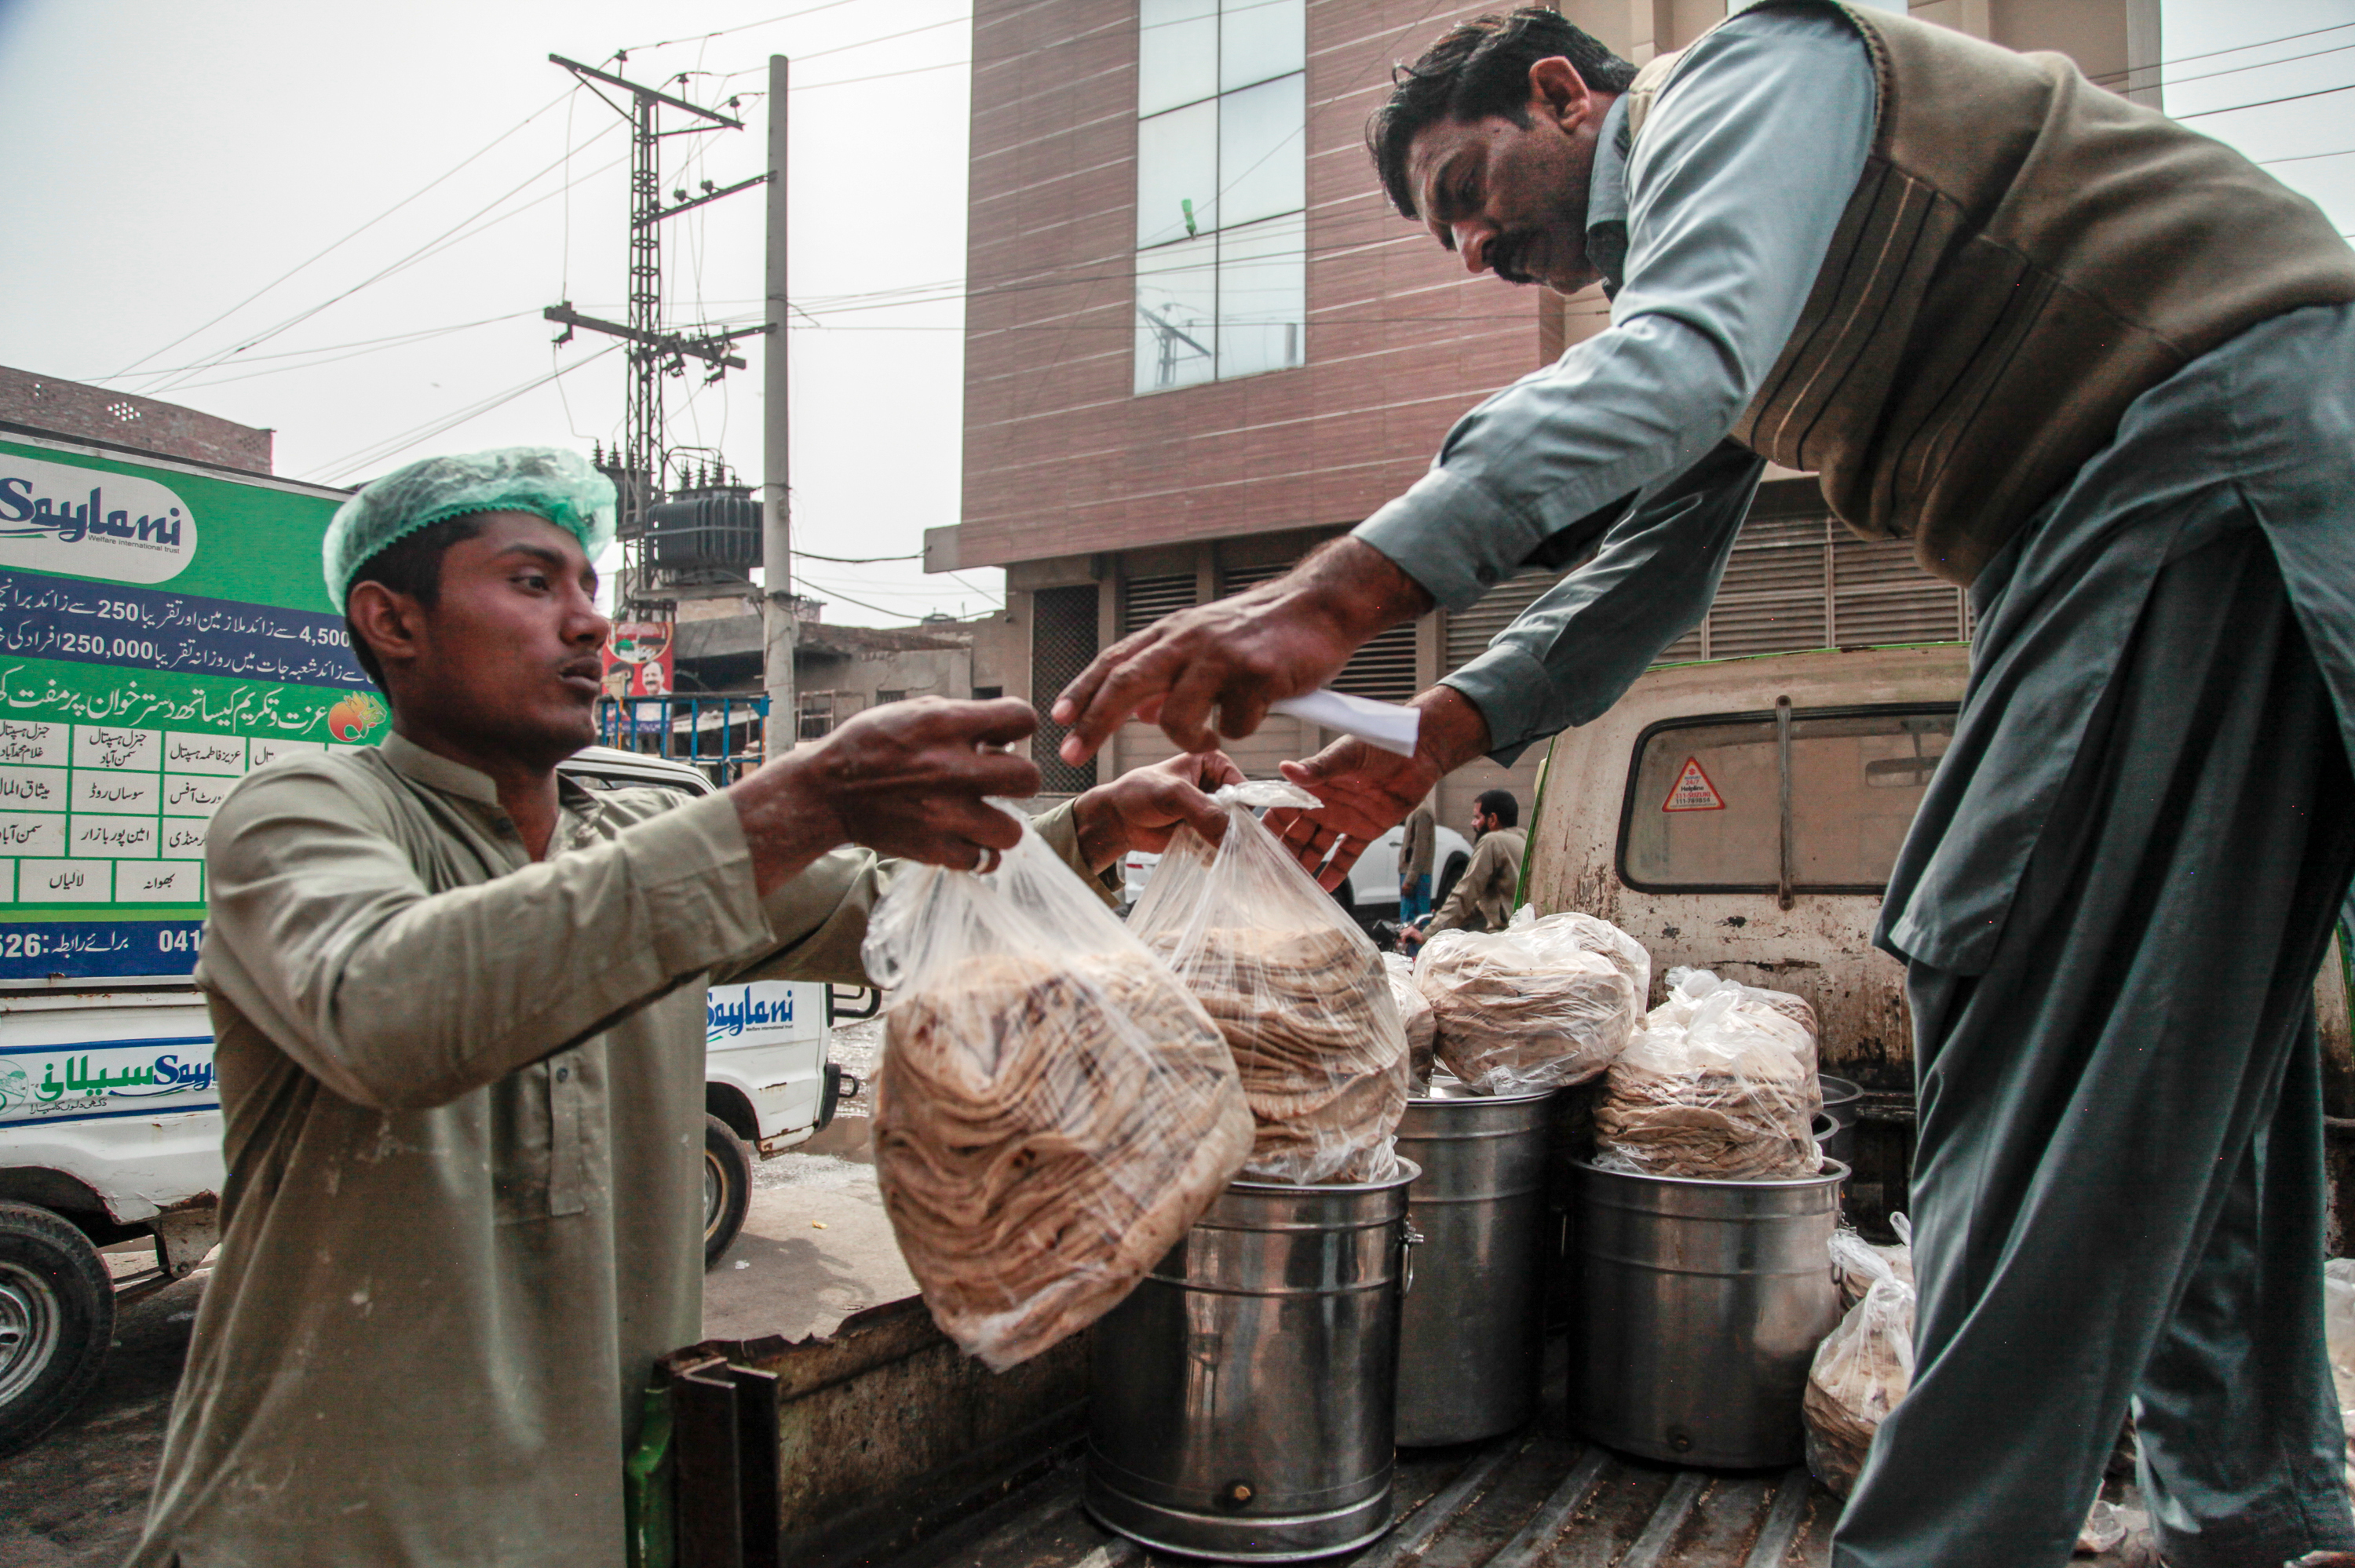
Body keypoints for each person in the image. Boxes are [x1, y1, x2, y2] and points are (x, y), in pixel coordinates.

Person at [1043, 6, 2355, 1566]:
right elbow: (1638, 577)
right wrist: (1410, 753)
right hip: (2154, 476)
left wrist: (1332, 594)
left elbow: (1670, 371)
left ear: (1559, 92)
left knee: (2008, 961)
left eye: (1464, 190)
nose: (1470, 248)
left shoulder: (1744, 81)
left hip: (2204, 434)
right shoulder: (1712, 281)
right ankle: (2259, 1519)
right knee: (2180, 1028)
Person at [129, 447, 1246, 1566]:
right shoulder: (303, 812)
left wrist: (1093, 826)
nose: (587, 625)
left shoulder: (622, 838)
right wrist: (793, 800)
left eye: (590, 589)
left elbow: (890, 909)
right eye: (532, 583)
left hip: (581, 1519)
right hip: (323, 1522)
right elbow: (387, 1006)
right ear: (392, 620)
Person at [1400, 789, 1520, 950]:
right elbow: (1489, 901)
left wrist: (1428, 933)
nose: (1473, 823)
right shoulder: (1522, 838)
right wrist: (1442, 920)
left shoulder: (1492, 841)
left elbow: (1466, 893)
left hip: (1503, 939)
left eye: (1477, 818)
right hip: (1523, 934)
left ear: (1493, 819)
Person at [1397, 793, 1437, 924]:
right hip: (1413, 873)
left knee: (1413, 921)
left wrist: (1410, 879)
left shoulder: (1421, 812)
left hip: (1416, 875)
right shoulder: (1415, 811)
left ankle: (1416, 944)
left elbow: (1420, 848)